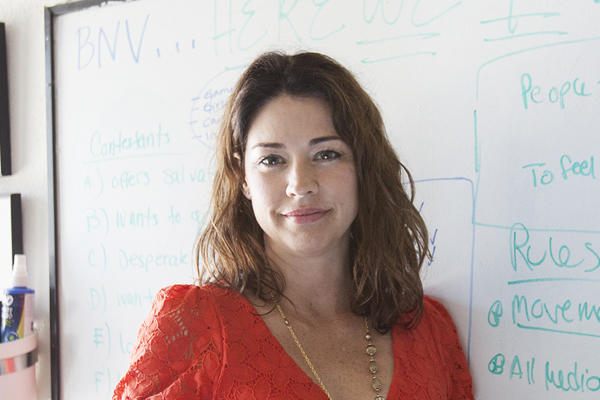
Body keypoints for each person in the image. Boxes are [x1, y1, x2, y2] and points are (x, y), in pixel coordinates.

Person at [113, 51, 474, 399]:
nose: (300, 184)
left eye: (326, 154)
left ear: (363, 167)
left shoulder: (428, 330)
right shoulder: (196, 326)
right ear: (243, 179)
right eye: (272, 160)